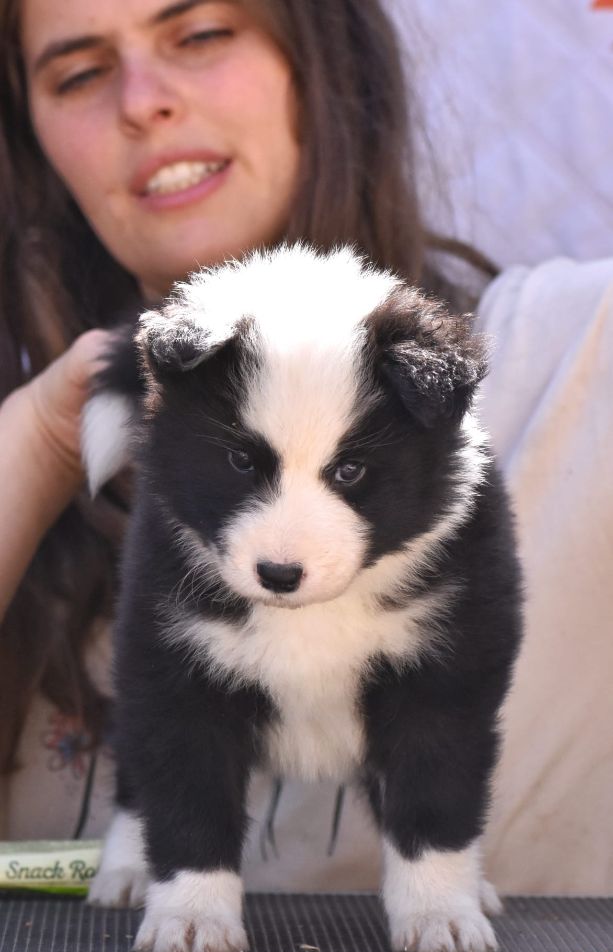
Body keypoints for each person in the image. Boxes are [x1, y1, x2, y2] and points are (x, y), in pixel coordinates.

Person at [0, 0, 612, 896]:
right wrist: (41, 437)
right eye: (80, 73)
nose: (141, 100)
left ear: (328, 62)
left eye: (200, 35)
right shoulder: (34, 461)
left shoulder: (570, 356)